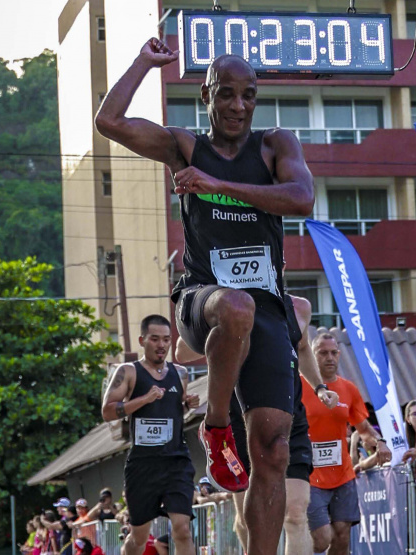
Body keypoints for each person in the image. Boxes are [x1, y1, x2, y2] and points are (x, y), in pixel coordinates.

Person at [95, 37, 315, 555]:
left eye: (248, 95)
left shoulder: (276, 145)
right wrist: (145, 64)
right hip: (204, 303)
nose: (238, 105)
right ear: (206, 96)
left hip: (266, 310)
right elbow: (110, 122)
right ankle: (216, 425)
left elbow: (301, 198)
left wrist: (216, 185)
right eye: (226, 94)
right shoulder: (184, 147)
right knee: (235, 305)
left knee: (274, 451)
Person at [176, 295, 339, 555]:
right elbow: (181, 352)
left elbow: (304, 348)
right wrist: (223, 329)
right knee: (246, 521)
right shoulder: (231, 304)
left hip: (288, 414)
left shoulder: (299, 306)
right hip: (238, 416)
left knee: (296, 514)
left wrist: (319, 387)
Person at [101, 315, 201, 555]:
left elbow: (175, 409)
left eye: (166, 339)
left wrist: (187, 403)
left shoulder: (180, 373)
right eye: (154, 339)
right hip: (143, 465)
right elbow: (107, 411)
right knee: (138, 537)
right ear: (142, 340)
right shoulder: (128, 372)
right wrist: (144, 399)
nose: (161, 345)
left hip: (176, 461)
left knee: (183, 530)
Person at [305, 333, 391, 555]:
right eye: (323, 353)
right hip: (310, 475)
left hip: (342, 474)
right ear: (312, 356)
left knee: (343, 534)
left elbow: (363, 429)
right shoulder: (300, 387)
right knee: (322, 539)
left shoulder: (348, 389)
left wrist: (380, 442)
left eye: (334, 352)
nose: (330, 358)